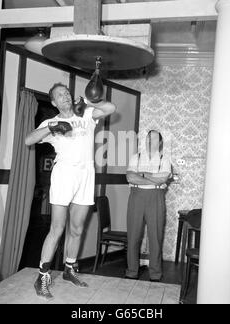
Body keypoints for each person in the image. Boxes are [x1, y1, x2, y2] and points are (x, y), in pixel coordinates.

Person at [25, 83, 116, 298]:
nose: (65, 96)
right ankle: (42, 277)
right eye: (60, 95)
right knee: (57, 228)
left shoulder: (85, 114)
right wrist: (52, 127)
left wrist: (88, 101)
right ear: (54, 102)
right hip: (64, 173)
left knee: (77, 228)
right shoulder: (51, 121)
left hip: (86, 174)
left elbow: (111, 108)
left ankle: (69, 269)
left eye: (66, 93)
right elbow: (29, 140)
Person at [126, 130, 174, 282]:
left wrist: (143, 175)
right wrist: (155, 178)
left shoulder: (165, 159)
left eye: (153, 139)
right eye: (147, 138)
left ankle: (155, 273)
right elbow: (130, 176)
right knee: (133, 235)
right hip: (136, 196)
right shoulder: (136, 157)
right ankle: (132, 271)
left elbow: (163, 179)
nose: (149, 141)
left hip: (156, 197)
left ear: (159, 143)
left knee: (156, 236)